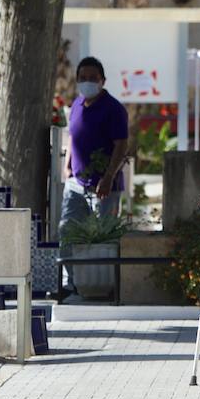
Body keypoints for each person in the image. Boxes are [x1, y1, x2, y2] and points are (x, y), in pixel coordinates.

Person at [59, 56, 132, 298]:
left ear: (102, 81)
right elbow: (72, 136)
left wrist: (109, 176)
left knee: (104, 236)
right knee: (67, 230)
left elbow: (121, 144)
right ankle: (72, 285)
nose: (87, 82)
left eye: (92, 78)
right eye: (83, 78)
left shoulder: (113, 109)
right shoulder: (77, 104)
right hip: (76, 184)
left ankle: (106, 286)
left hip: (104, 186)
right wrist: (67, 165)